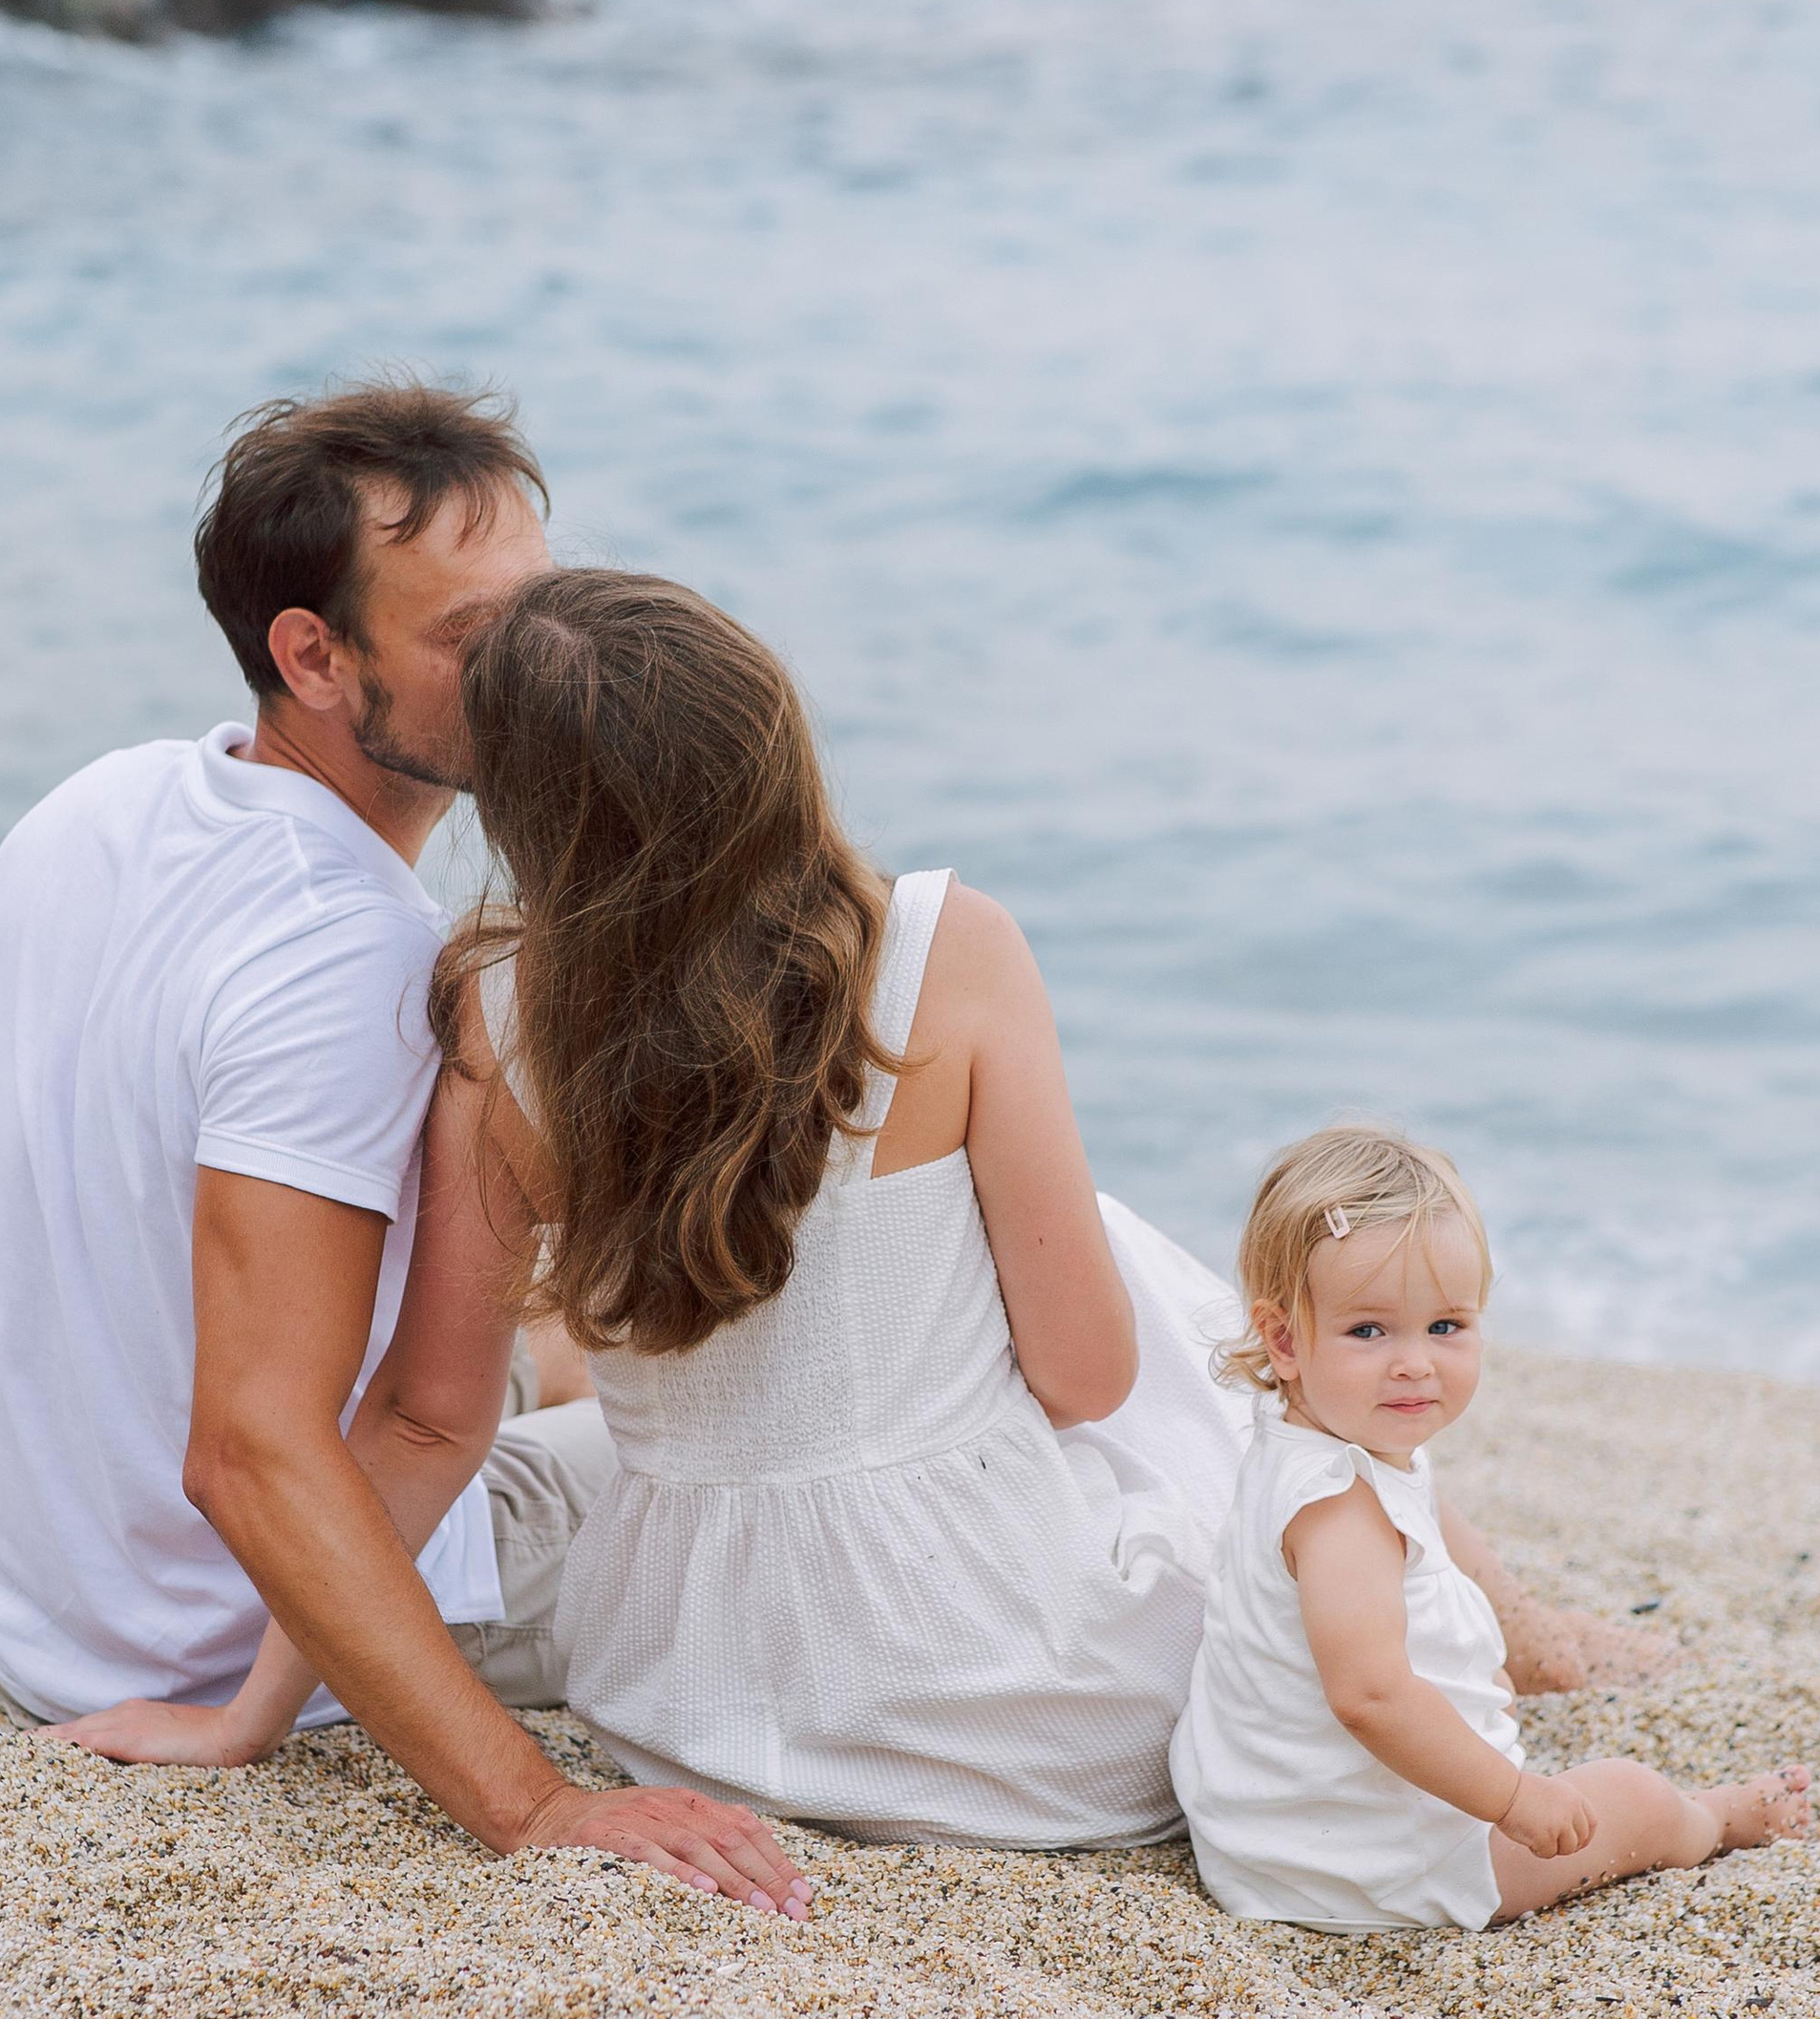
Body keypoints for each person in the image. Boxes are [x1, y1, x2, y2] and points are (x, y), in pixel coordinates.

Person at [302, 568, 1641, 1853]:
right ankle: (1479, 1605)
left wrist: (247, 1713)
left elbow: (425, 1420)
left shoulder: (494, 1013)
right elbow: (1086, 1376)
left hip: (696, 1709)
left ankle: (1489, 1603)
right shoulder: (946, 948)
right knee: (1110, 1251)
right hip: (1047, 1728)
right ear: (773, 750)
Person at [0, 382, 809, 1916]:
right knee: (786, 1448)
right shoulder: (350, 959)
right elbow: (257, 1450)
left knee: (553, 1336)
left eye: (547, 613)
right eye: (481, 646)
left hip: (35, 1591)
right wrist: (532, 1805)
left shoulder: (99, 808)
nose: (552, 674)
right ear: (312, 655)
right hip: (235, 1635)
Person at [1169, 1125, 1810, 1927]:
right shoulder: (1336, 1510)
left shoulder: (1337, 1438)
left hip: (1281, 1837)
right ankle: (1715, 1819)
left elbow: (1424, 1558)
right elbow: (1370, 1697)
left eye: (1446, 1326)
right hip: (1364, 1869)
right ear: (1284, 1339)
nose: (1415, 1362)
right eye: (1368, 1330)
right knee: (1632, 1798)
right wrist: (1513, 1797)